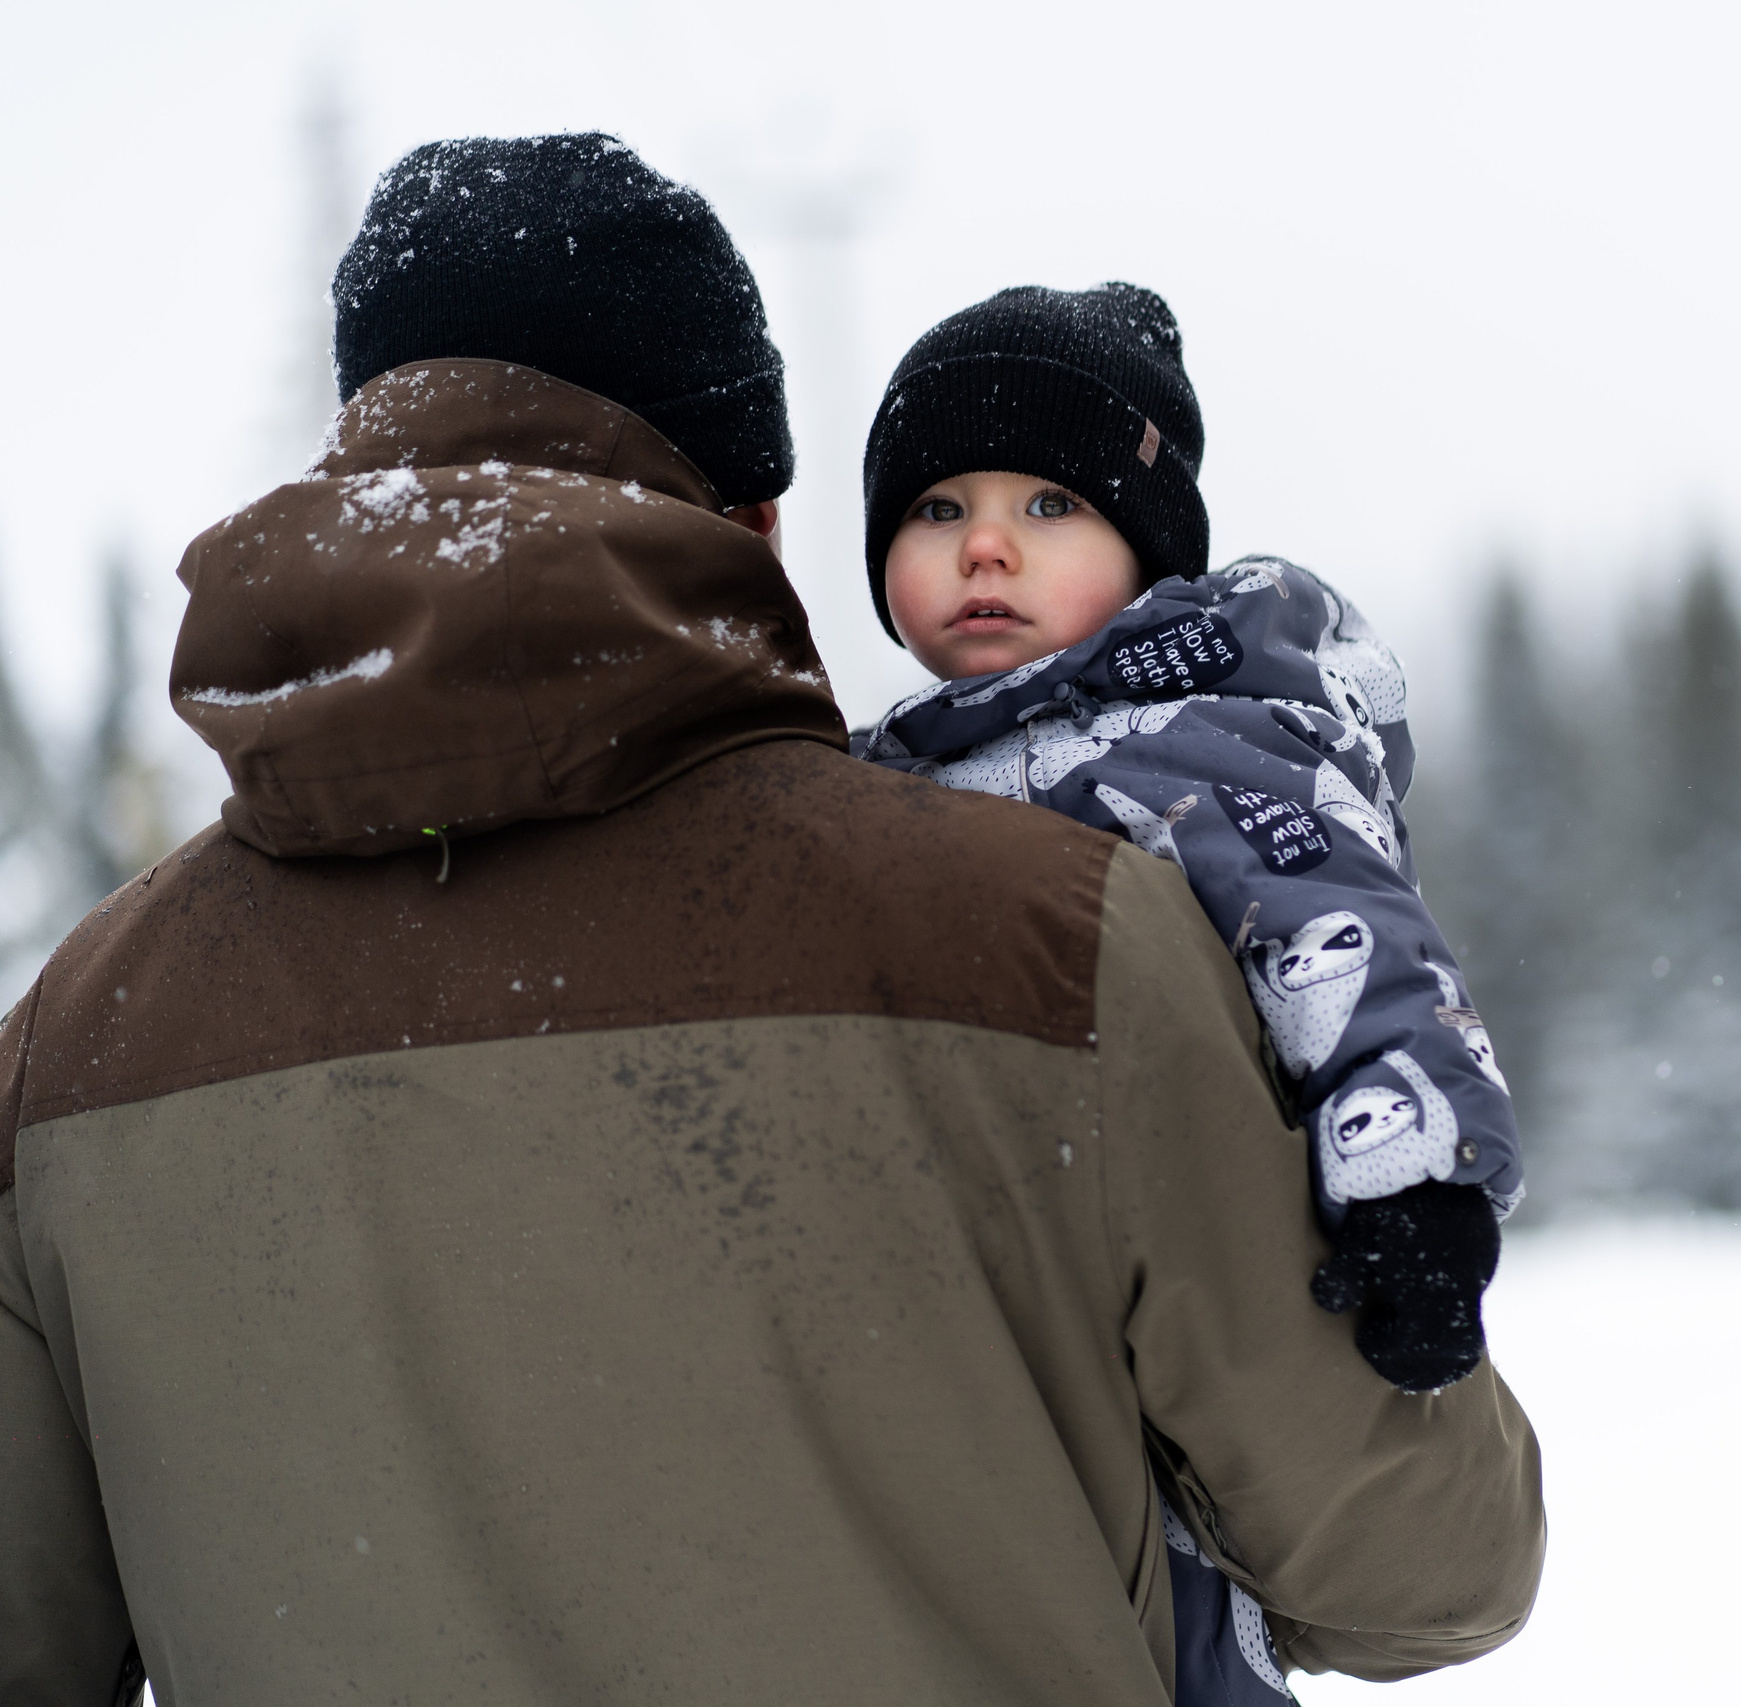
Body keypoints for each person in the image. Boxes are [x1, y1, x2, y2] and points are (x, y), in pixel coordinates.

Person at [0, 133, 1543, 1707]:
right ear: (757, 520)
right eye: (939, 503)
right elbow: (1424, 1569)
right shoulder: (1056, 940)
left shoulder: (68, 1046)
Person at [860, 285, 1524, 1406]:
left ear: (1147, 549)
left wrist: (1417, 1193)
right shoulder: (873, 776)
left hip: (1182, 1311)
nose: (983, 546)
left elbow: (1348, 938)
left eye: (1050, 505)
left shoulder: (1212, 746)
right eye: (934, 509)